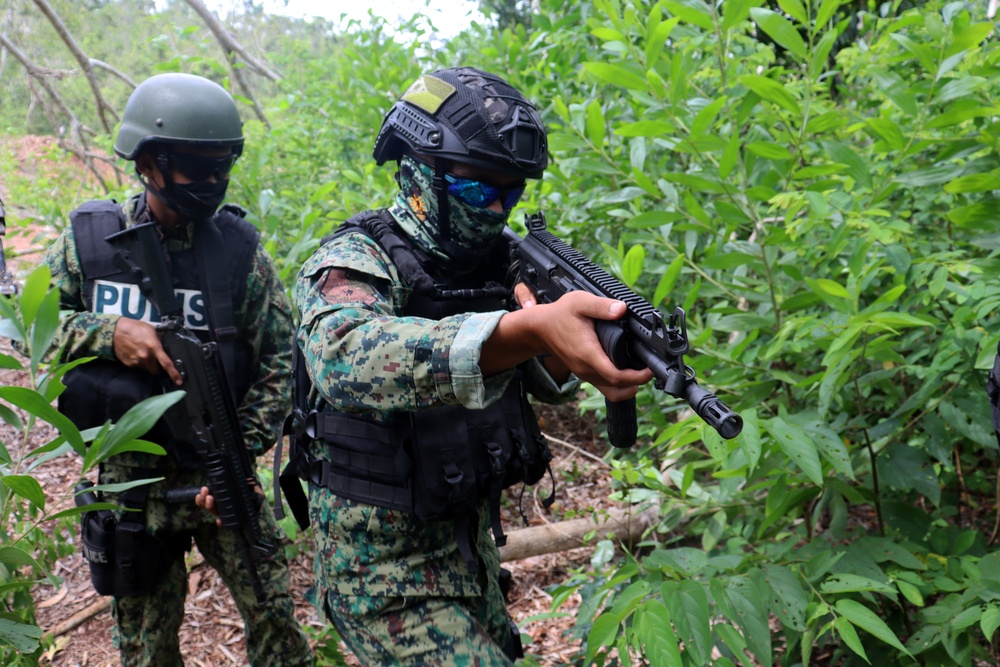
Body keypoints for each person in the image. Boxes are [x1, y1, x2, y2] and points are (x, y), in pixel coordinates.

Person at [287, 66, 652, 666]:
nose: (498, 209)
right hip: (381, 574)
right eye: (480, 190)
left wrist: (593, 350)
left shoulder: (495, 264)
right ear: (415, 172)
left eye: (513, 193)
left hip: (470, 556)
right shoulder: (354, 259)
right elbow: (345, 356)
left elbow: (541, 380)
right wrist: (523, 329)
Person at [45, 72, 313, 667]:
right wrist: (108, 333)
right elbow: (32, 334)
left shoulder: (239, 253)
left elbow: (280, 359)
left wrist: (238, 456)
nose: (212, 182)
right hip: (129, 484)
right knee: (144, 646)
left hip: (222, 477)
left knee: (276, 623)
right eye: (197, 168)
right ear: (149, 162)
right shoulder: (89, 244)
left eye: (223, 167)